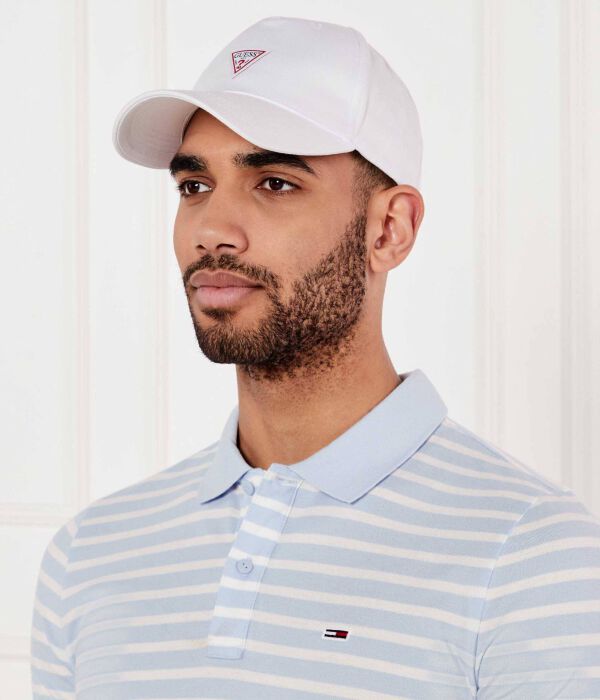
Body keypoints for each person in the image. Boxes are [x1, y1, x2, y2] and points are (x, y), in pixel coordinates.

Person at [31, 15, 600, 699]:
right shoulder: (91, 557)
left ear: (388, 229)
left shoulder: (532, 554)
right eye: (194, 186)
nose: (211, 229)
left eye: (274, 182)